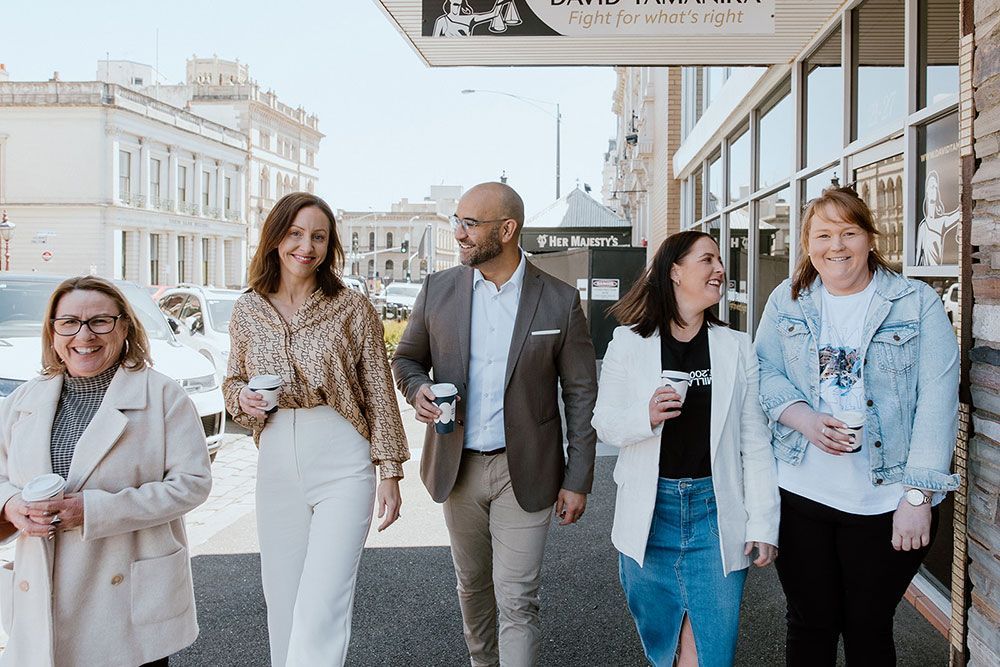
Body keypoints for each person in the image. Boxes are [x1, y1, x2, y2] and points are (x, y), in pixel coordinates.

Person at [392, 181, 597, 667]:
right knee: (473, 588)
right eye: (457, 221)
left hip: (525, 469)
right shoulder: (438, 289)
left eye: (469, 224)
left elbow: (581, 394)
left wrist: (578, 478)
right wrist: (417, 388)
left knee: (518, 599)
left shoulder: (559, 301)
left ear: (507, 230)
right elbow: (406, 359)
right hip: (456, 465)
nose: (458, 234)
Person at [755, 186, 960, 665]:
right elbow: (761, 371)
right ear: (808, 243)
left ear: (870, 238)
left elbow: (938, 397)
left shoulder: (916, 303)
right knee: (809, 625)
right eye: (823, 234)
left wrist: (917, 498)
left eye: (849, 232)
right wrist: (801, 417)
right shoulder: (787, 300)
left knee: (868, 627)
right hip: (802, 493)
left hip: (885, 501)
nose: (836, 246)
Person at [224, 192, 409, 666]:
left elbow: (379, 391)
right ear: (275, 238)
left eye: (319, 237)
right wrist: (242, 398)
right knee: (282, 599)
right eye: (295, 234)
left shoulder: (352, 307)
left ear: (330, 246)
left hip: (342, 456)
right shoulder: (248, 310)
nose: (307, 246)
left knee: (323, 603)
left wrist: (389, 471)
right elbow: (233, 382)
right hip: (277, 458)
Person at [0, 275, 212, 667]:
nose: (84, 334)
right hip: (42, 591)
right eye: (69, 322)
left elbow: (192, 484)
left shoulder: (163, 396)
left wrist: (95, 510)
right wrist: (11, 506)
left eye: (100, 321)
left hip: (125, 598)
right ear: (53, 331)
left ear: (124, 326)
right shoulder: (22, 400)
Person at [592, 231, 779, 666]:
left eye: (720, 262)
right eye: (707, 260)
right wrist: (647, 415)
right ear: (674, 271)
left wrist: (764, 522)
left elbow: (754, 441)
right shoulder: (629, 342)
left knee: (711, 651)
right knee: (667, 649)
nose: (719, 270)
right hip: (651, 513)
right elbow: (604, 423)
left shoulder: (735, 346)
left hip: (714, 511)